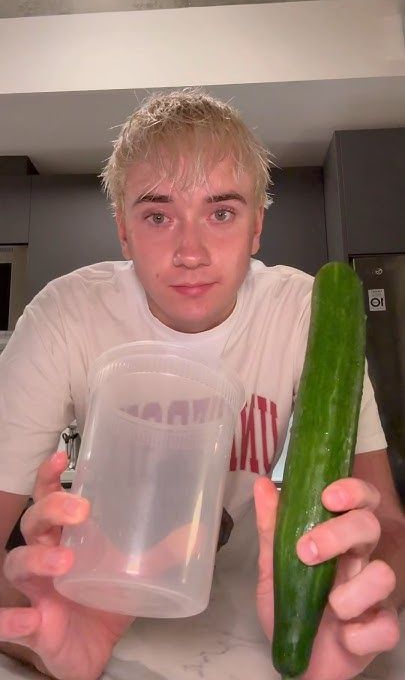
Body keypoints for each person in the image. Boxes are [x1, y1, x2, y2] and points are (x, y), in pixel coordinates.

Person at [0, 89, 403, 680]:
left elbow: (389, 525)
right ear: (123, 231)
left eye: (221, 212)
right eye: (158, 216)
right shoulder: (66, 315)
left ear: (257, 227)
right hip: (98, 612)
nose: (190, 252)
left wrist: (359, 602)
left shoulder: (308, 312)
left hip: (263, 637)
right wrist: (38, 634)